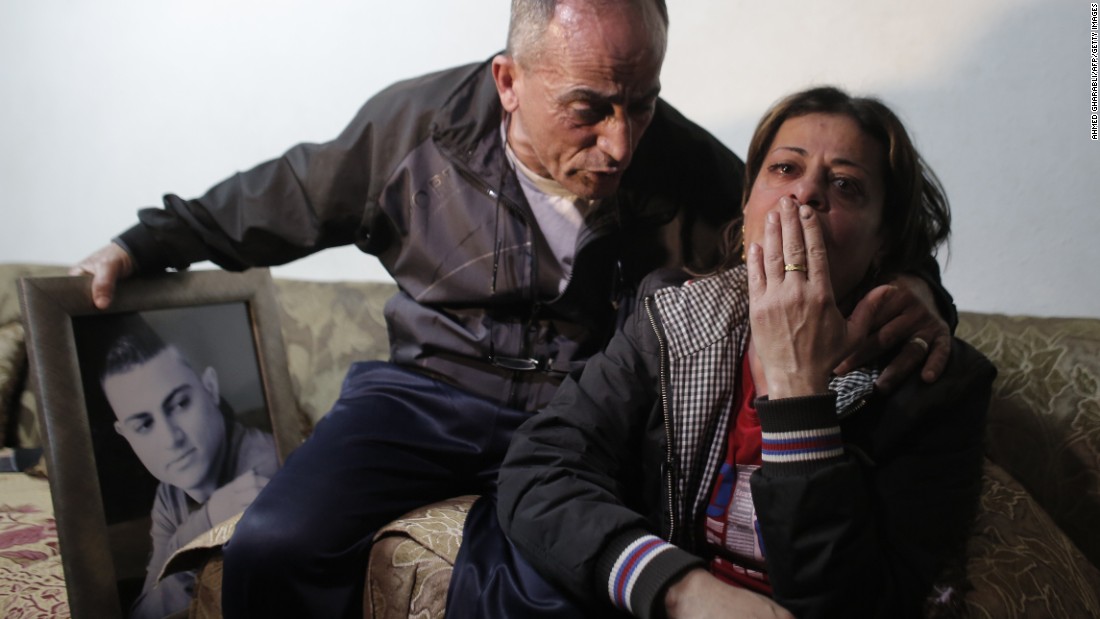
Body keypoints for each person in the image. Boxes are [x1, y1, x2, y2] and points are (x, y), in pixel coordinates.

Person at [73, 1, 956, 616]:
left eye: (641, 105)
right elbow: (276, 199)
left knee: (536, 588)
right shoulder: (410, 131)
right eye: (590, 110)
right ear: (508, 81)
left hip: (581, 413)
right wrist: (139, 245)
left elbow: (815, 229)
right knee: (273, 544)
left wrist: (921, 290)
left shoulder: (677, 160)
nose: (619, 143)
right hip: (421, 394)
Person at [497, 86, 996, 619]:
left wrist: (796, 387)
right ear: (746, 200)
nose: (804, 193)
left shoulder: (936, 385)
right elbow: (538, 468)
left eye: (845, 184)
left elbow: (855, 603)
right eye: (784, 169)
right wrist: (677, 589)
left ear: (885, 241)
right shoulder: (671, 318)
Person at [99, 317, 278, 619]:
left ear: (210, 387)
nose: (171, 439)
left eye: (180, 404)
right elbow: (145, 612)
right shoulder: (169, 496)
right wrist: (205, 524)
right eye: (144, 424)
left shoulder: (269, 469)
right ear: (126, 435)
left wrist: (184, 547)